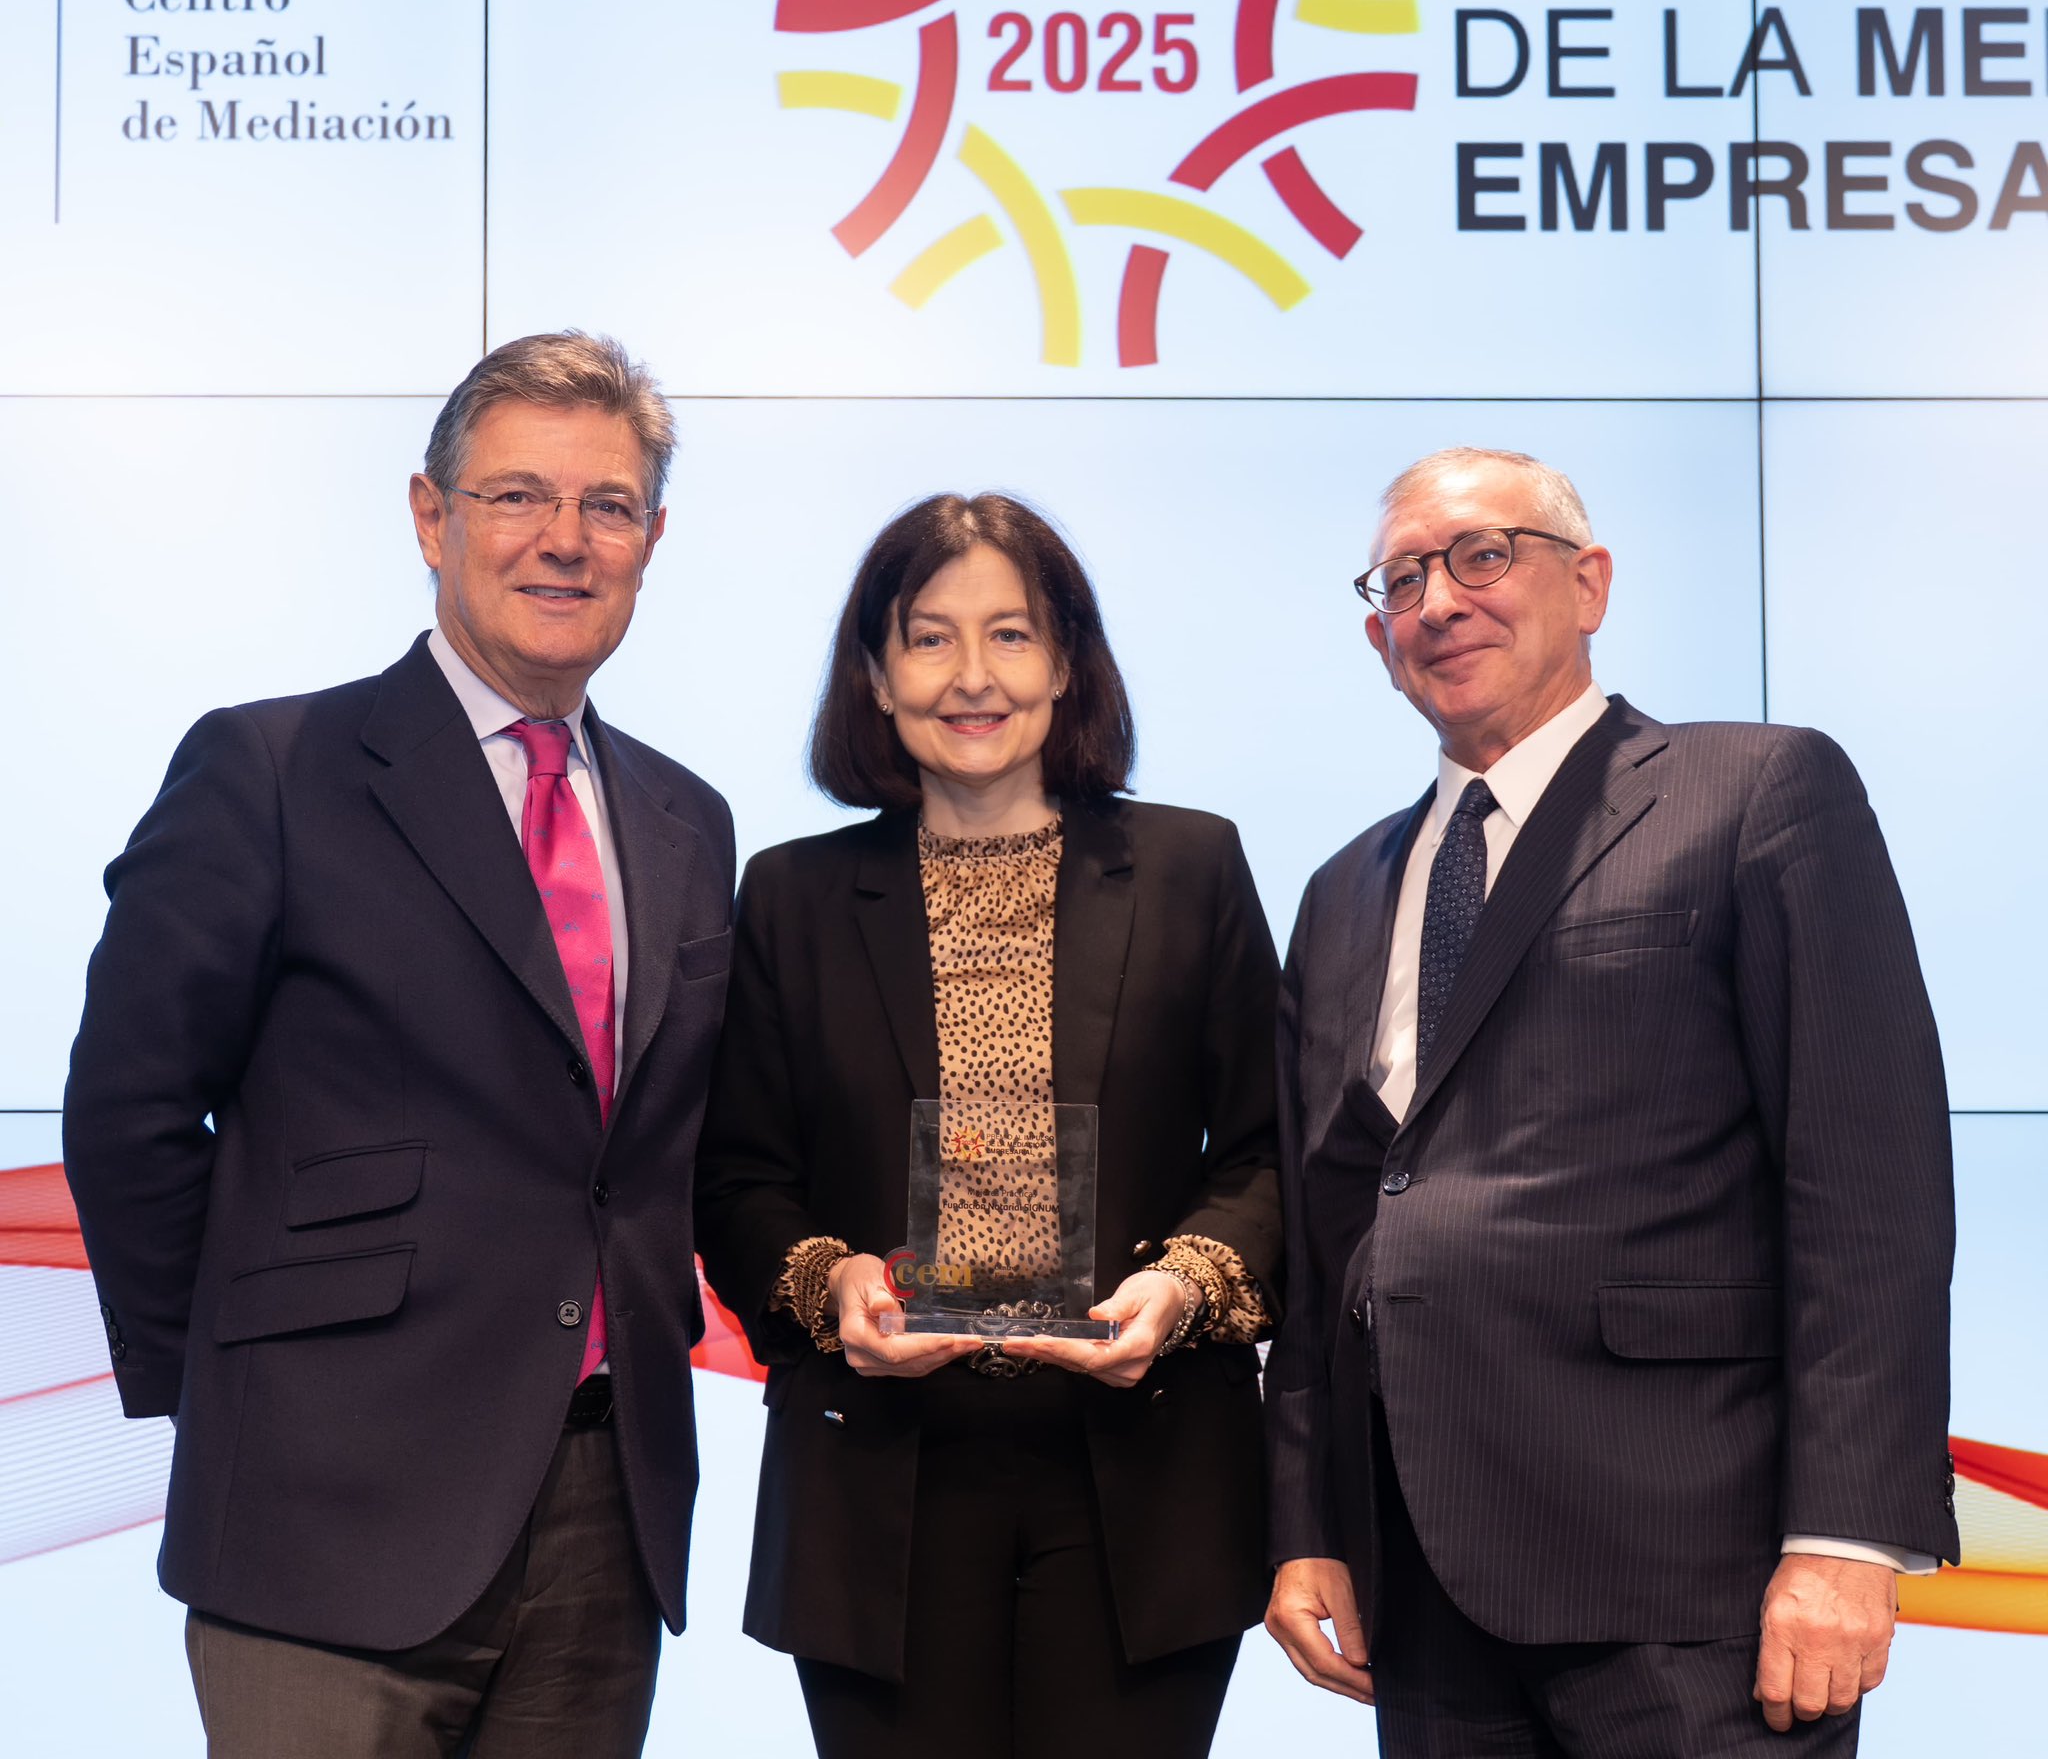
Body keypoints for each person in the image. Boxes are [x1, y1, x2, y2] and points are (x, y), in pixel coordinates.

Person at [62, 332, 735, 1759]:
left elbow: (659, 1155)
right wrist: (237, 1398)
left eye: (608, 505)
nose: (565, 539)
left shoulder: (687, 820)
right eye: (517, 495)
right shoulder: (269, 770)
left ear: (654, 540)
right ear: (432, 516)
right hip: (320, 1512)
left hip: (603, 1516)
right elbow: (129, 1112)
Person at [1262, 447, 1958, 1754]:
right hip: (1422, 1580)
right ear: (1376, 639)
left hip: (1697, 1577)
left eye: (1481, 555)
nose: (1438, 601)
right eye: (1401, 581)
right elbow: (1326, 1237)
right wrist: (1307, 1527)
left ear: (1588, 583)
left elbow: (1868, 1190)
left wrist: (1848, 1537)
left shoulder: (1754, 791)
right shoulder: (1345, 887)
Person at [696, 492, 1279, 1759]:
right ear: (875, 673)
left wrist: (1182, 1285)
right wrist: (832, 1281)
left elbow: (1266, 1151)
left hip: (1144, 1473)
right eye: (928, 637)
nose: (972, 676)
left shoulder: (1191, 867)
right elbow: (737, 1175)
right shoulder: (791, 895)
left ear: (1066, 664)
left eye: (1011, 634)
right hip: (877, 1480)